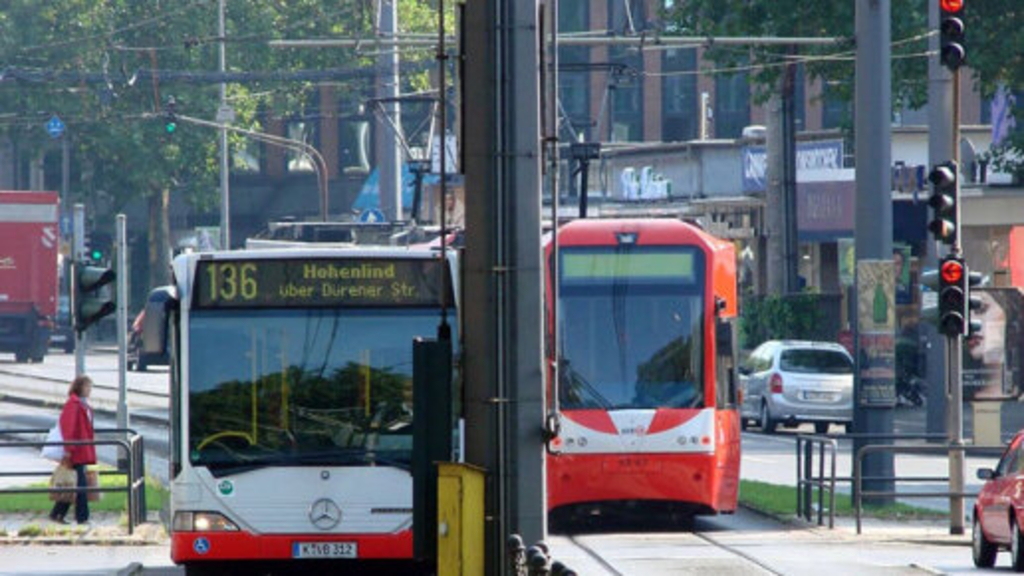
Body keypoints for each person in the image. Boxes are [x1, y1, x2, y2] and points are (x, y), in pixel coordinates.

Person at [49, 375, 96, 525]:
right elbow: (68, 427)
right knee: (79, 485)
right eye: (87, 387)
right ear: (80, 387)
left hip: (79, 449)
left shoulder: (81, 403)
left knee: (73, 484)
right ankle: (82, 518)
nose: (89, 390)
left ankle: (57, 513)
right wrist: (69, 448)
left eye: (90, 387)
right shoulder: (74, 404)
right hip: (76, 451)